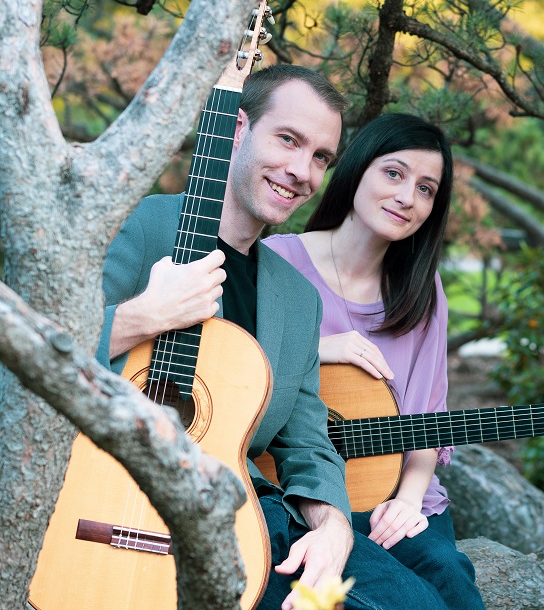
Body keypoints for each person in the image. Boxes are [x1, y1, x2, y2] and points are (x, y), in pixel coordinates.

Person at [97, 66, 453, 610]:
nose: (301, 171)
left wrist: (333, 526)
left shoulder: (294, 297)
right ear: (237, 129)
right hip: (107, 498)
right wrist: (143, 316)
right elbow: (29, 349)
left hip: (247, 510)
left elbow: (306, 441)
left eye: (319, 158)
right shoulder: (141, 227)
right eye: (288, 140)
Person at [264, 113, 485, 609]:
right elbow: (234, 367)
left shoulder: (421, 292)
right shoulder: (277, 260)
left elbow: (428, 417)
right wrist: (317, 349)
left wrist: (408, 500)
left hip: (393, 496)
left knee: (450, 576)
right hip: (298, 499)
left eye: (427, 189)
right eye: (394, 173)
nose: (408, 197)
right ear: (358, 168)